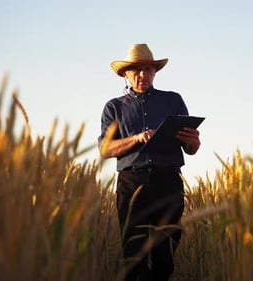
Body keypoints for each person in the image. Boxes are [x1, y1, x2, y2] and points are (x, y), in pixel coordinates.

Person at [98, 43, 200, 281]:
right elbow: (105, 148)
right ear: (125, 73)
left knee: (165, 255)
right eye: (136, 70)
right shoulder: (113, 107)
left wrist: (194, 140)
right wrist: (136, 138)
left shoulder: (173, 100)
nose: (142, 74)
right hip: (132, 183)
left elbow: (191, 149)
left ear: (155, 72)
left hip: (168, 182)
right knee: (134, 256)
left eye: (148, 69)